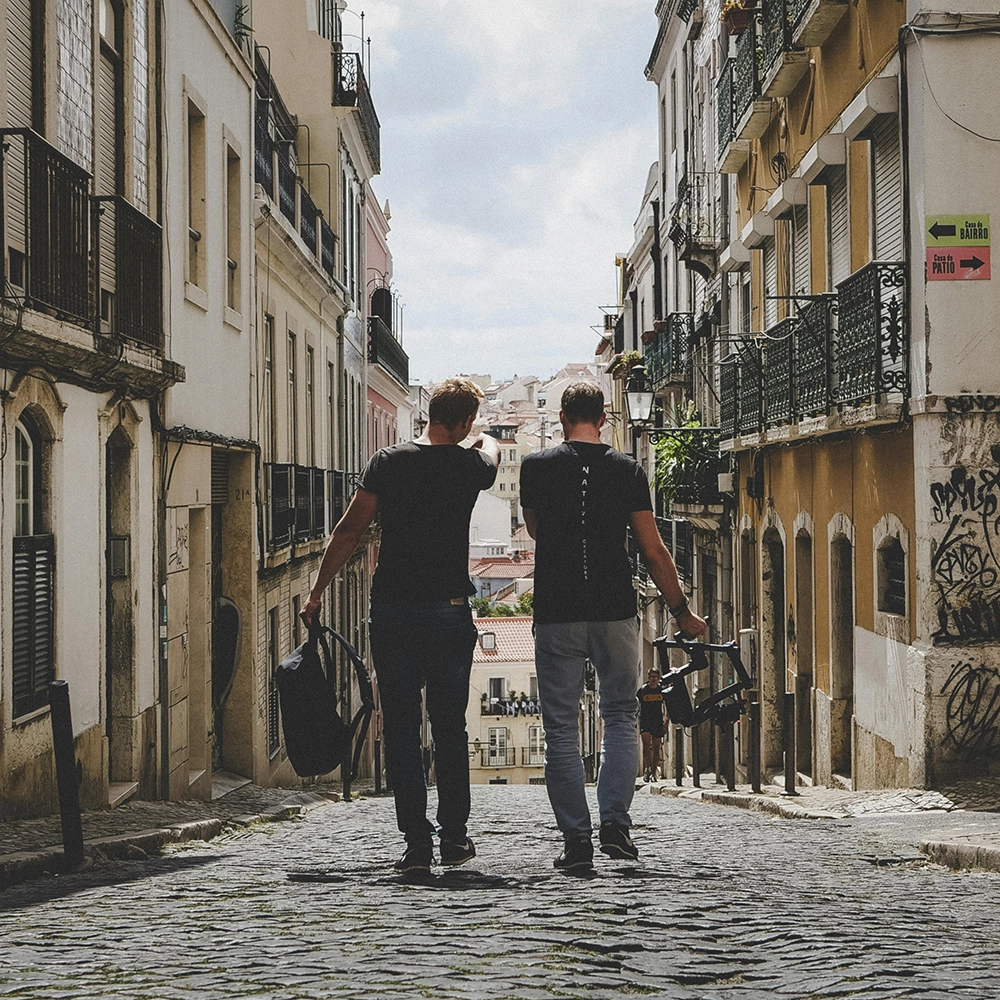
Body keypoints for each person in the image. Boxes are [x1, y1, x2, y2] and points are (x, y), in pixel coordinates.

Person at [301, 377, 500, 874]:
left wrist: (317, 591)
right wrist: (480, 437)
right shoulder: (468, 463)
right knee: (449, 726)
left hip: (392, 610)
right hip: (449, 610)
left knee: (402, 730)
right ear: (463, 423)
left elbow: (349, 531)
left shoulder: (388, 462)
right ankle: (454, 837)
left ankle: (416, 845)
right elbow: (492, 452)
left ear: (428, 415)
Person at [520, 382, 706, 870]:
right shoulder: (627, 470)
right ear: (603, 419)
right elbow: (652, 547)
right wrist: (681, 610)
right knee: (620, 715)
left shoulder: (536, 466)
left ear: (562, 417)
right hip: (616, 609)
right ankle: (616, 827)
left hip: (557, 610)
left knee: (560, 727)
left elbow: (537, 529)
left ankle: (576, 841)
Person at [637, 668, 667, 782]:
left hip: (657, 721)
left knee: (656, 747)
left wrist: (666, 722)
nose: (653, 679)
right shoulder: (643, 691)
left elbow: (667, 706)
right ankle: (647, 769)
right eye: (651, 677)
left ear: (659, 678)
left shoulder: (662, 691)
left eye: (655, 677)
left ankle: (654, 772)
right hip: (645, 720)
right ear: (648, 678)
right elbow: (636, 704)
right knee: (646, 746)